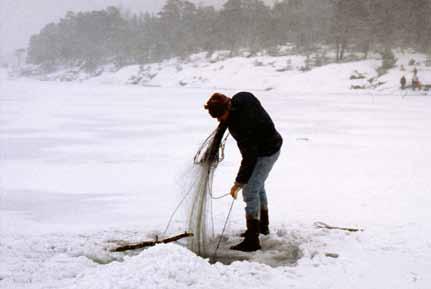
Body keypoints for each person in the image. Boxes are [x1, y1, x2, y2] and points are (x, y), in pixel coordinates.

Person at [204, 92, 283, 252]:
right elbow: (227, 121)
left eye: (220, 116)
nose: (219, 120)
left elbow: (249, 158)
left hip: (268, 151)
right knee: (258, 186)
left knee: (250, 191)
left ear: (227, 108)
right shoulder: (240, 98)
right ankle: (262, 227)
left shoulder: (242, 126)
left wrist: (238, 183)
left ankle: (252, 241)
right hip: (268, 144)